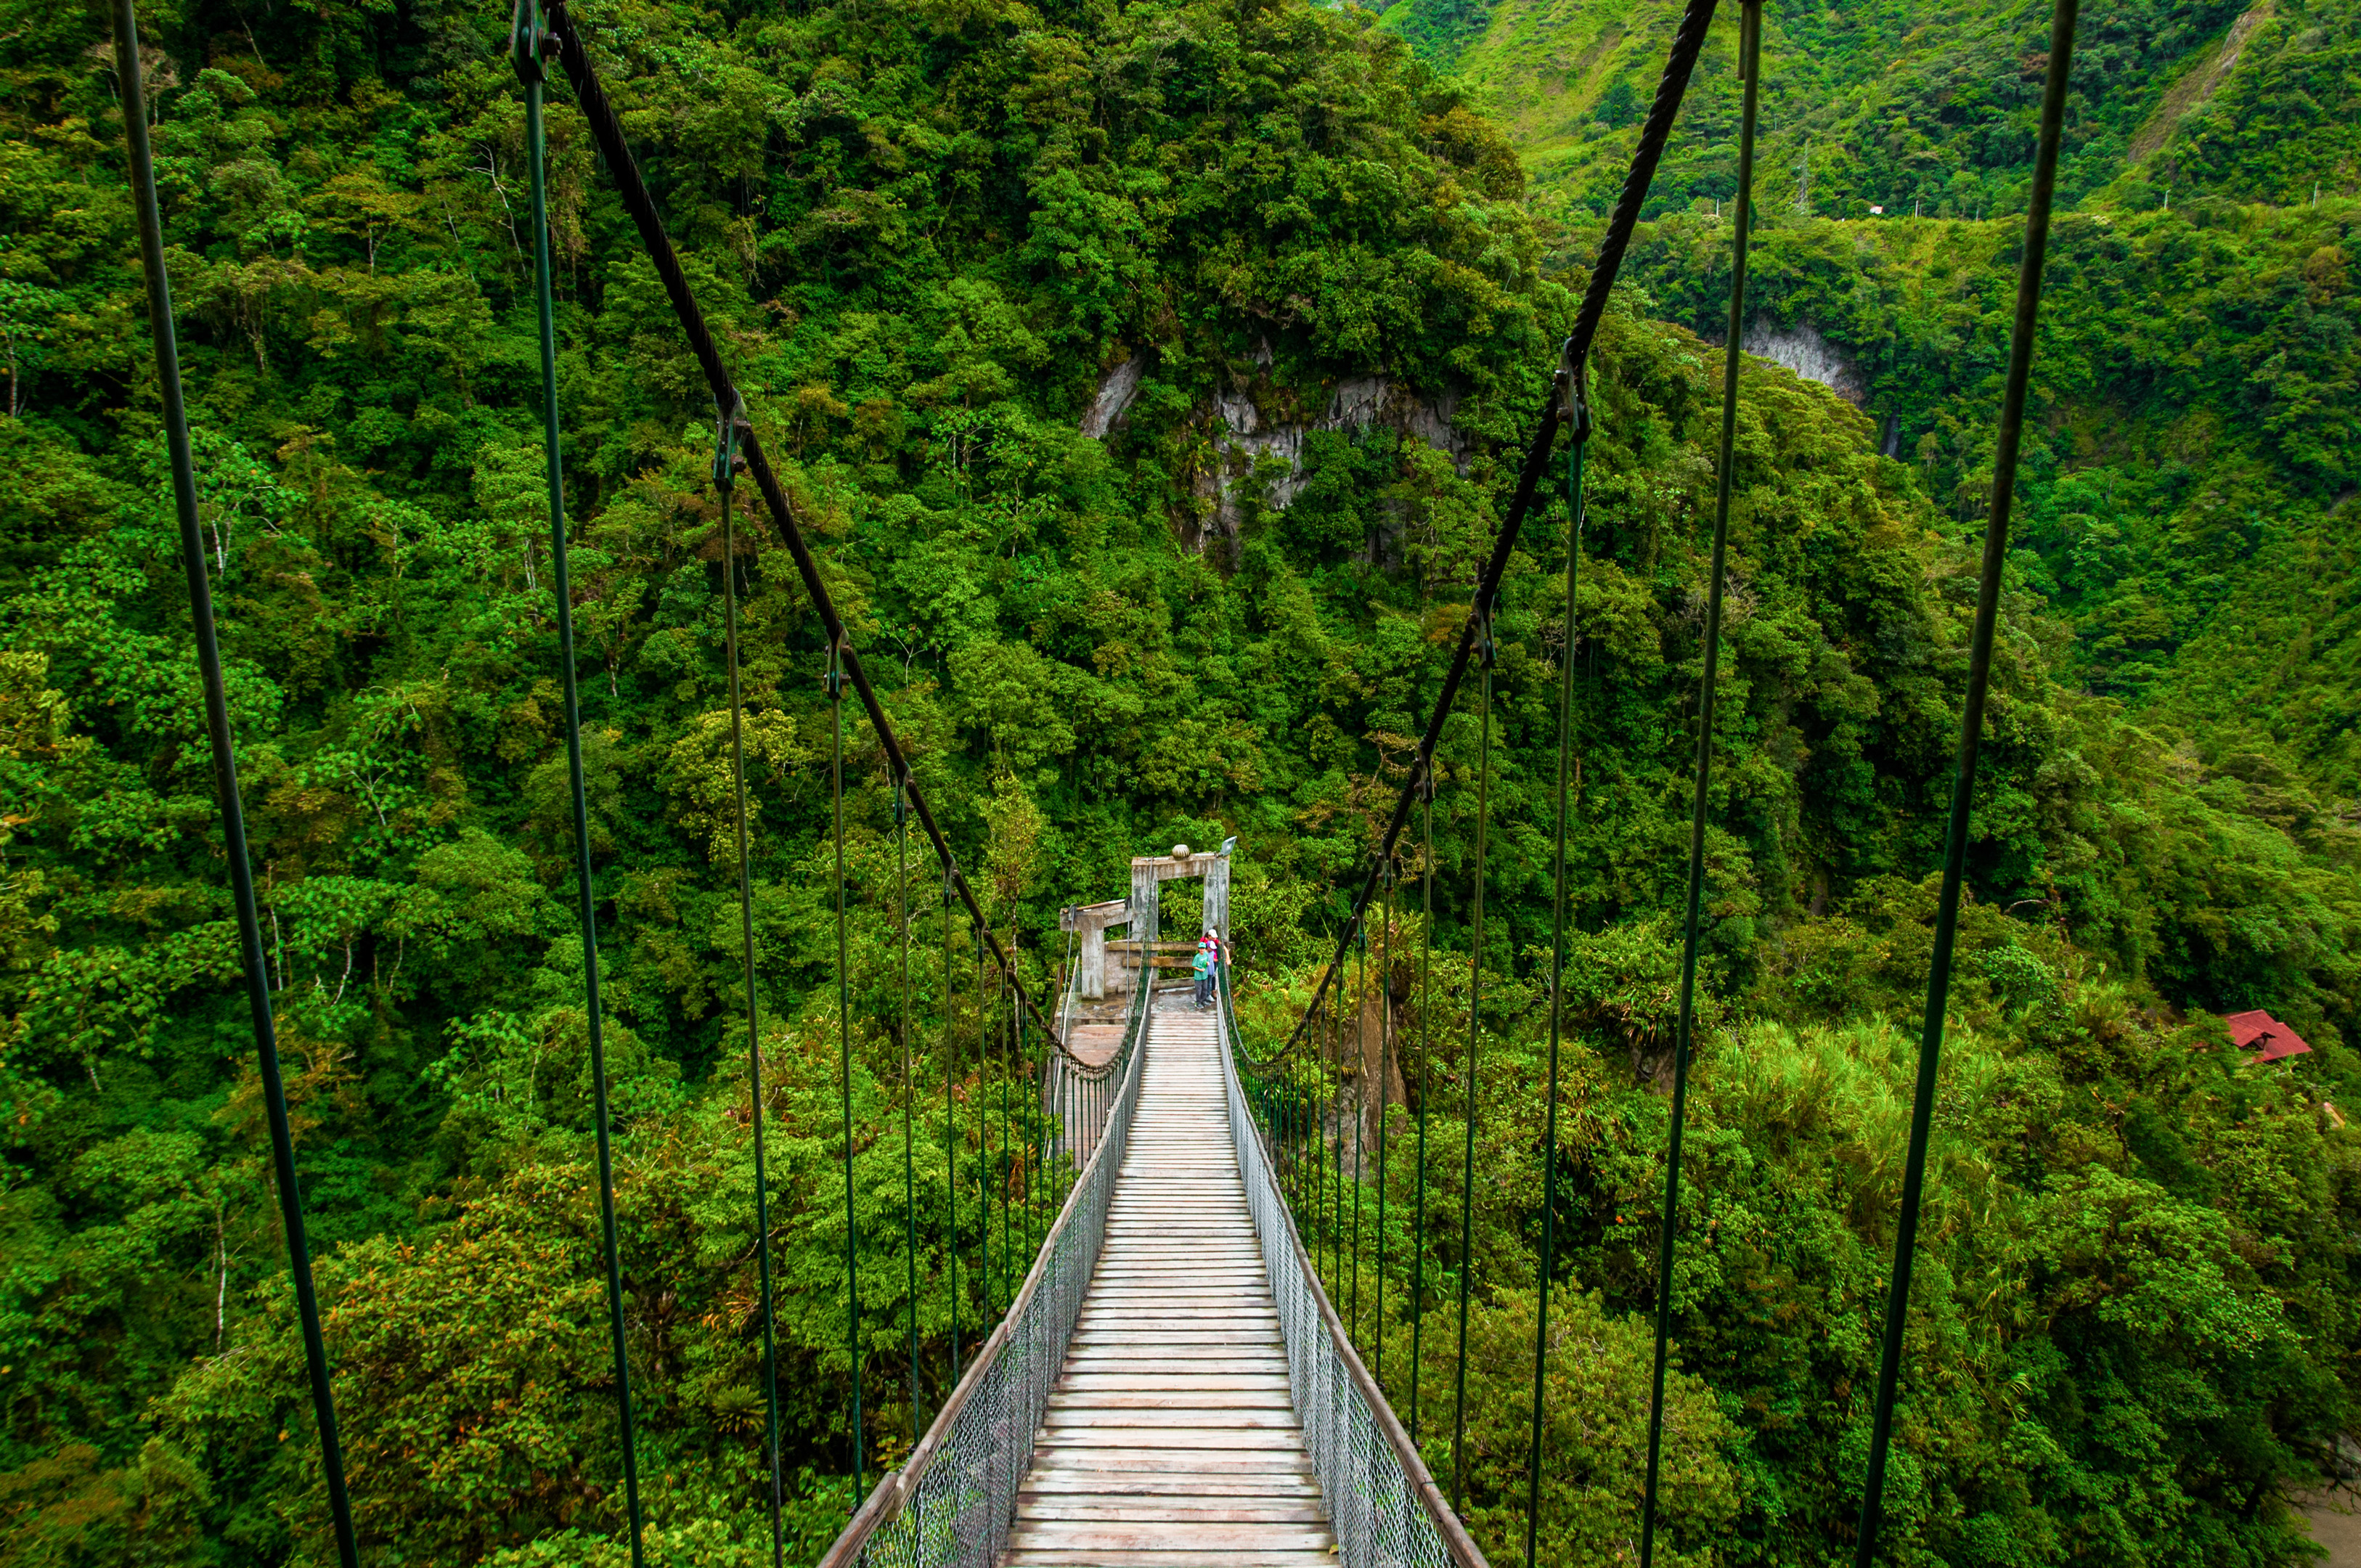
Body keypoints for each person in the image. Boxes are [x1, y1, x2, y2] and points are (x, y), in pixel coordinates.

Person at [1191, 934, 1218, 1010]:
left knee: (1205, 988)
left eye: (1203, 948)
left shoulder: (1206, 955)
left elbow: (1207, 961)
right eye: (1201, 948)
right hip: (1198, 976)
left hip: (1205, 975)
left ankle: (1203, 1000)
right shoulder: (1197, 957)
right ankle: (1198, 1002)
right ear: (1199, 949)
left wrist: (1207, 963)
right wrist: (1200, 969)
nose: (1202, 950)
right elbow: (1193, 965)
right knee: (1199, 989)